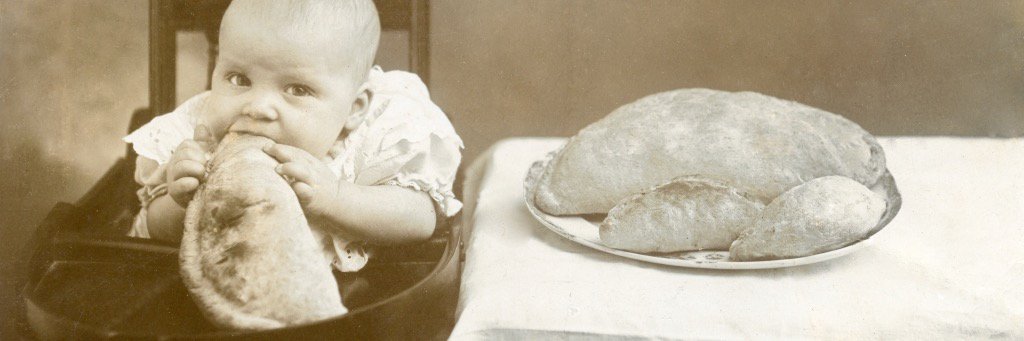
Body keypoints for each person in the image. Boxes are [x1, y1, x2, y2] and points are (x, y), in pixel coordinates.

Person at [123, 0, 462, 272]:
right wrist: (179, 201)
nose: (257, 108)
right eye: (239, 78)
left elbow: (421, 219)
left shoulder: (374, 137)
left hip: (347, 306)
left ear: (354, 107)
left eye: (297, 89)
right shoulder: (200, 134)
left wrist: (337, 197)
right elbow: (150, 231)